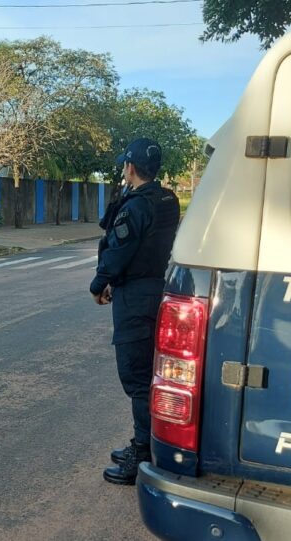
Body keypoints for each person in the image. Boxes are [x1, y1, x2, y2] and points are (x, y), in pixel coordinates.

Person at [91, 138, 180, 485]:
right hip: (157, 288)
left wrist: (100, 283)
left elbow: (120, 249)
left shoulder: (136, 206)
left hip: (136, 298)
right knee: (152, 374)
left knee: (138, 378)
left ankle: (143, 452)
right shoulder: (167, 199)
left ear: (130, 167)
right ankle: (151, 441)